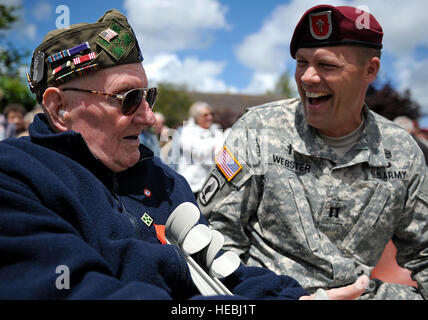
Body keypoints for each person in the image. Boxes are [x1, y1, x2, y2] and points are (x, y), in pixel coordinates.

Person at [0, 9, 365, 300]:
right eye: (127, 99)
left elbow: (224, 270)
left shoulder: (163, 179)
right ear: (60, 108)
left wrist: (294, 298)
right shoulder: (15, 176)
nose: (146, 116)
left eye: (148, 97)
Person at [198, 4, 428, 300]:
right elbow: (215, 235)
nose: (308, 77)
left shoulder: (402, 152)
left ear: (369, 70)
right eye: (301, 62)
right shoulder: (261, 129)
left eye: (327, 65)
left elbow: (424, 253)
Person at [175, 101, 225, 197]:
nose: (209, 117)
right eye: (205, 115)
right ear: (196, 117)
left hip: (210, 184)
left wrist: (208, 148)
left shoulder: (216, 131)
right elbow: (199, 154)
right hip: (190, 184)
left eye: (211, 114)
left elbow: (221, 153)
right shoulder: (186, 132)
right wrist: (213, 146)